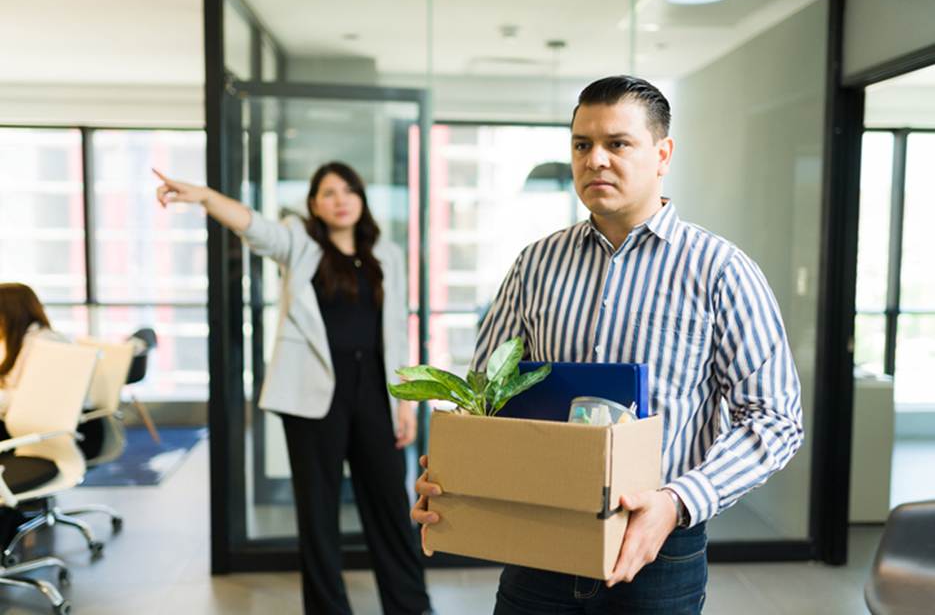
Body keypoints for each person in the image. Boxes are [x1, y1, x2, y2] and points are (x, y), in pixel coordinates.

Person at [412, 75, 804, 614]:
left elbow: (774, 418)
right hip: (540, 538)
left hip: (658, 550)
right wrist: (455, 477)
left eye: (617, 144)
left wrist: (677, 502)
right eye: (582, 144)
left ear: (662, 153)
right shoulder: (535, 264)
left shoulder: (721, 271)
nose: (595, 159)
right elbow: (484, 399)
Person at [154, 163, 431, 615]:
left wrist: (404, 402)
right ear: (314, 205)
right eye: (327, 192)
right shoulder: (300, 242)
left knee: (389, 505)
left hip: (374, 390)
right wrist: (204, 196)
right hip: (311, 394)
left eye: (348, 190)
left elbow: (396, 332)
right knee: (318, 514)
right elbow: (253, 225)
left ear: (361, 198)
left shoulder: (387, 253)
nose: (340, 199)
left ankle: (411, 606)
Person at [0, 283, 69, 425]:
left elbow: (31, 399)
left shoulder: (46, 344)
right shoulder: (15, 341)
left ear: (10, 314)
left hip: (42, 424)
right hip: (20, 418)